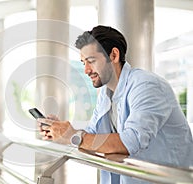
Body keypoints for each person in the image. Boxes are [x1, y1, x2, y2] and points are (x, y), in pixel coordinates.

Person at [37, 25, 193, 184]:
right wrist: (62, 131)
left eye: (91, 61)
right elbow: (92, 135)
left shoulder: (147, 85)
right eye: (83, 62)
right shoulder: (106, 94)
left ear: (113, 55)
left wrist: (72, 136)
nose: (86, 70)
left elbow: (130, 141)